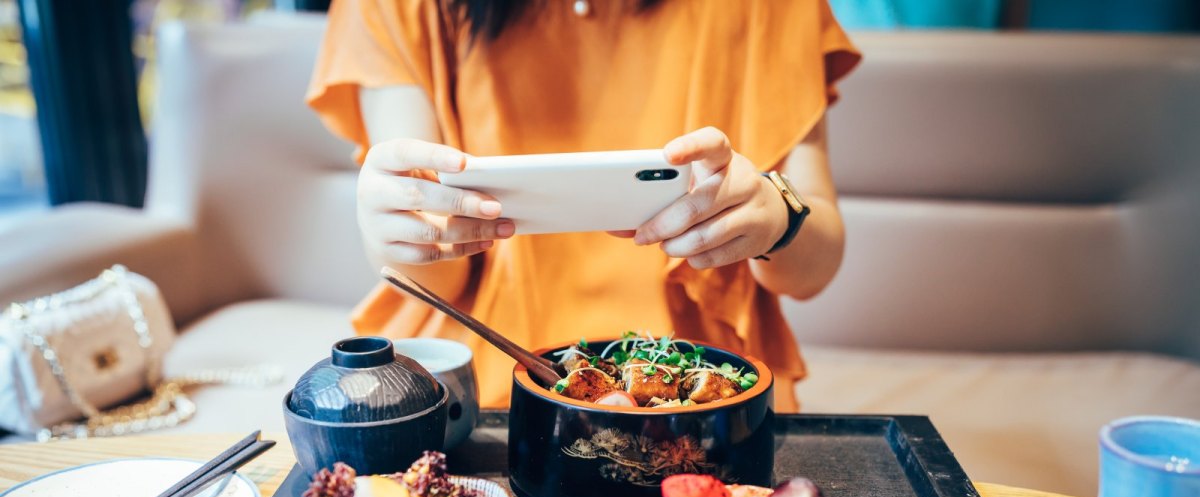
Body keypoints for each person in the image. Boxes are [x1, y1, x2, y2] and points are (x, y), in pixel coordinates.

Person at [307, 0, 861, 411]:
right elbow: (437, 273)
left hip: (709, 388)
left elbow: (813, 269)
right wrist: (397, 227)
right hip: (491, 382)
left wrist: (777, 219)